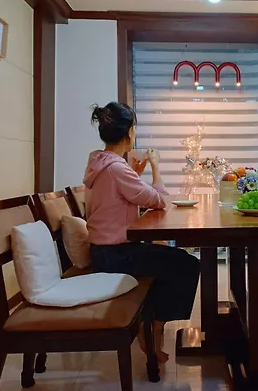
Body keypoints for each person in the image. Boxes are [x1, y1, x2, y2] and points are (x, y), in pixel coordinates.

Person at [84, 102, 200, 363]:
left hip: (103, 251)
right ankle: (152, 329)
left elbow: (119, 198)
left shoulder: (99, 163)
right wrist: (156, 166)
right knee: (187, 265)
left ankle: (148, 323)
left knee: (168, 256)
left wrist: (136, 174)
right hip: (116, 255)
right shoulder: (116, 168)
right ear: (130, 133)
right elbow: (159, 200)